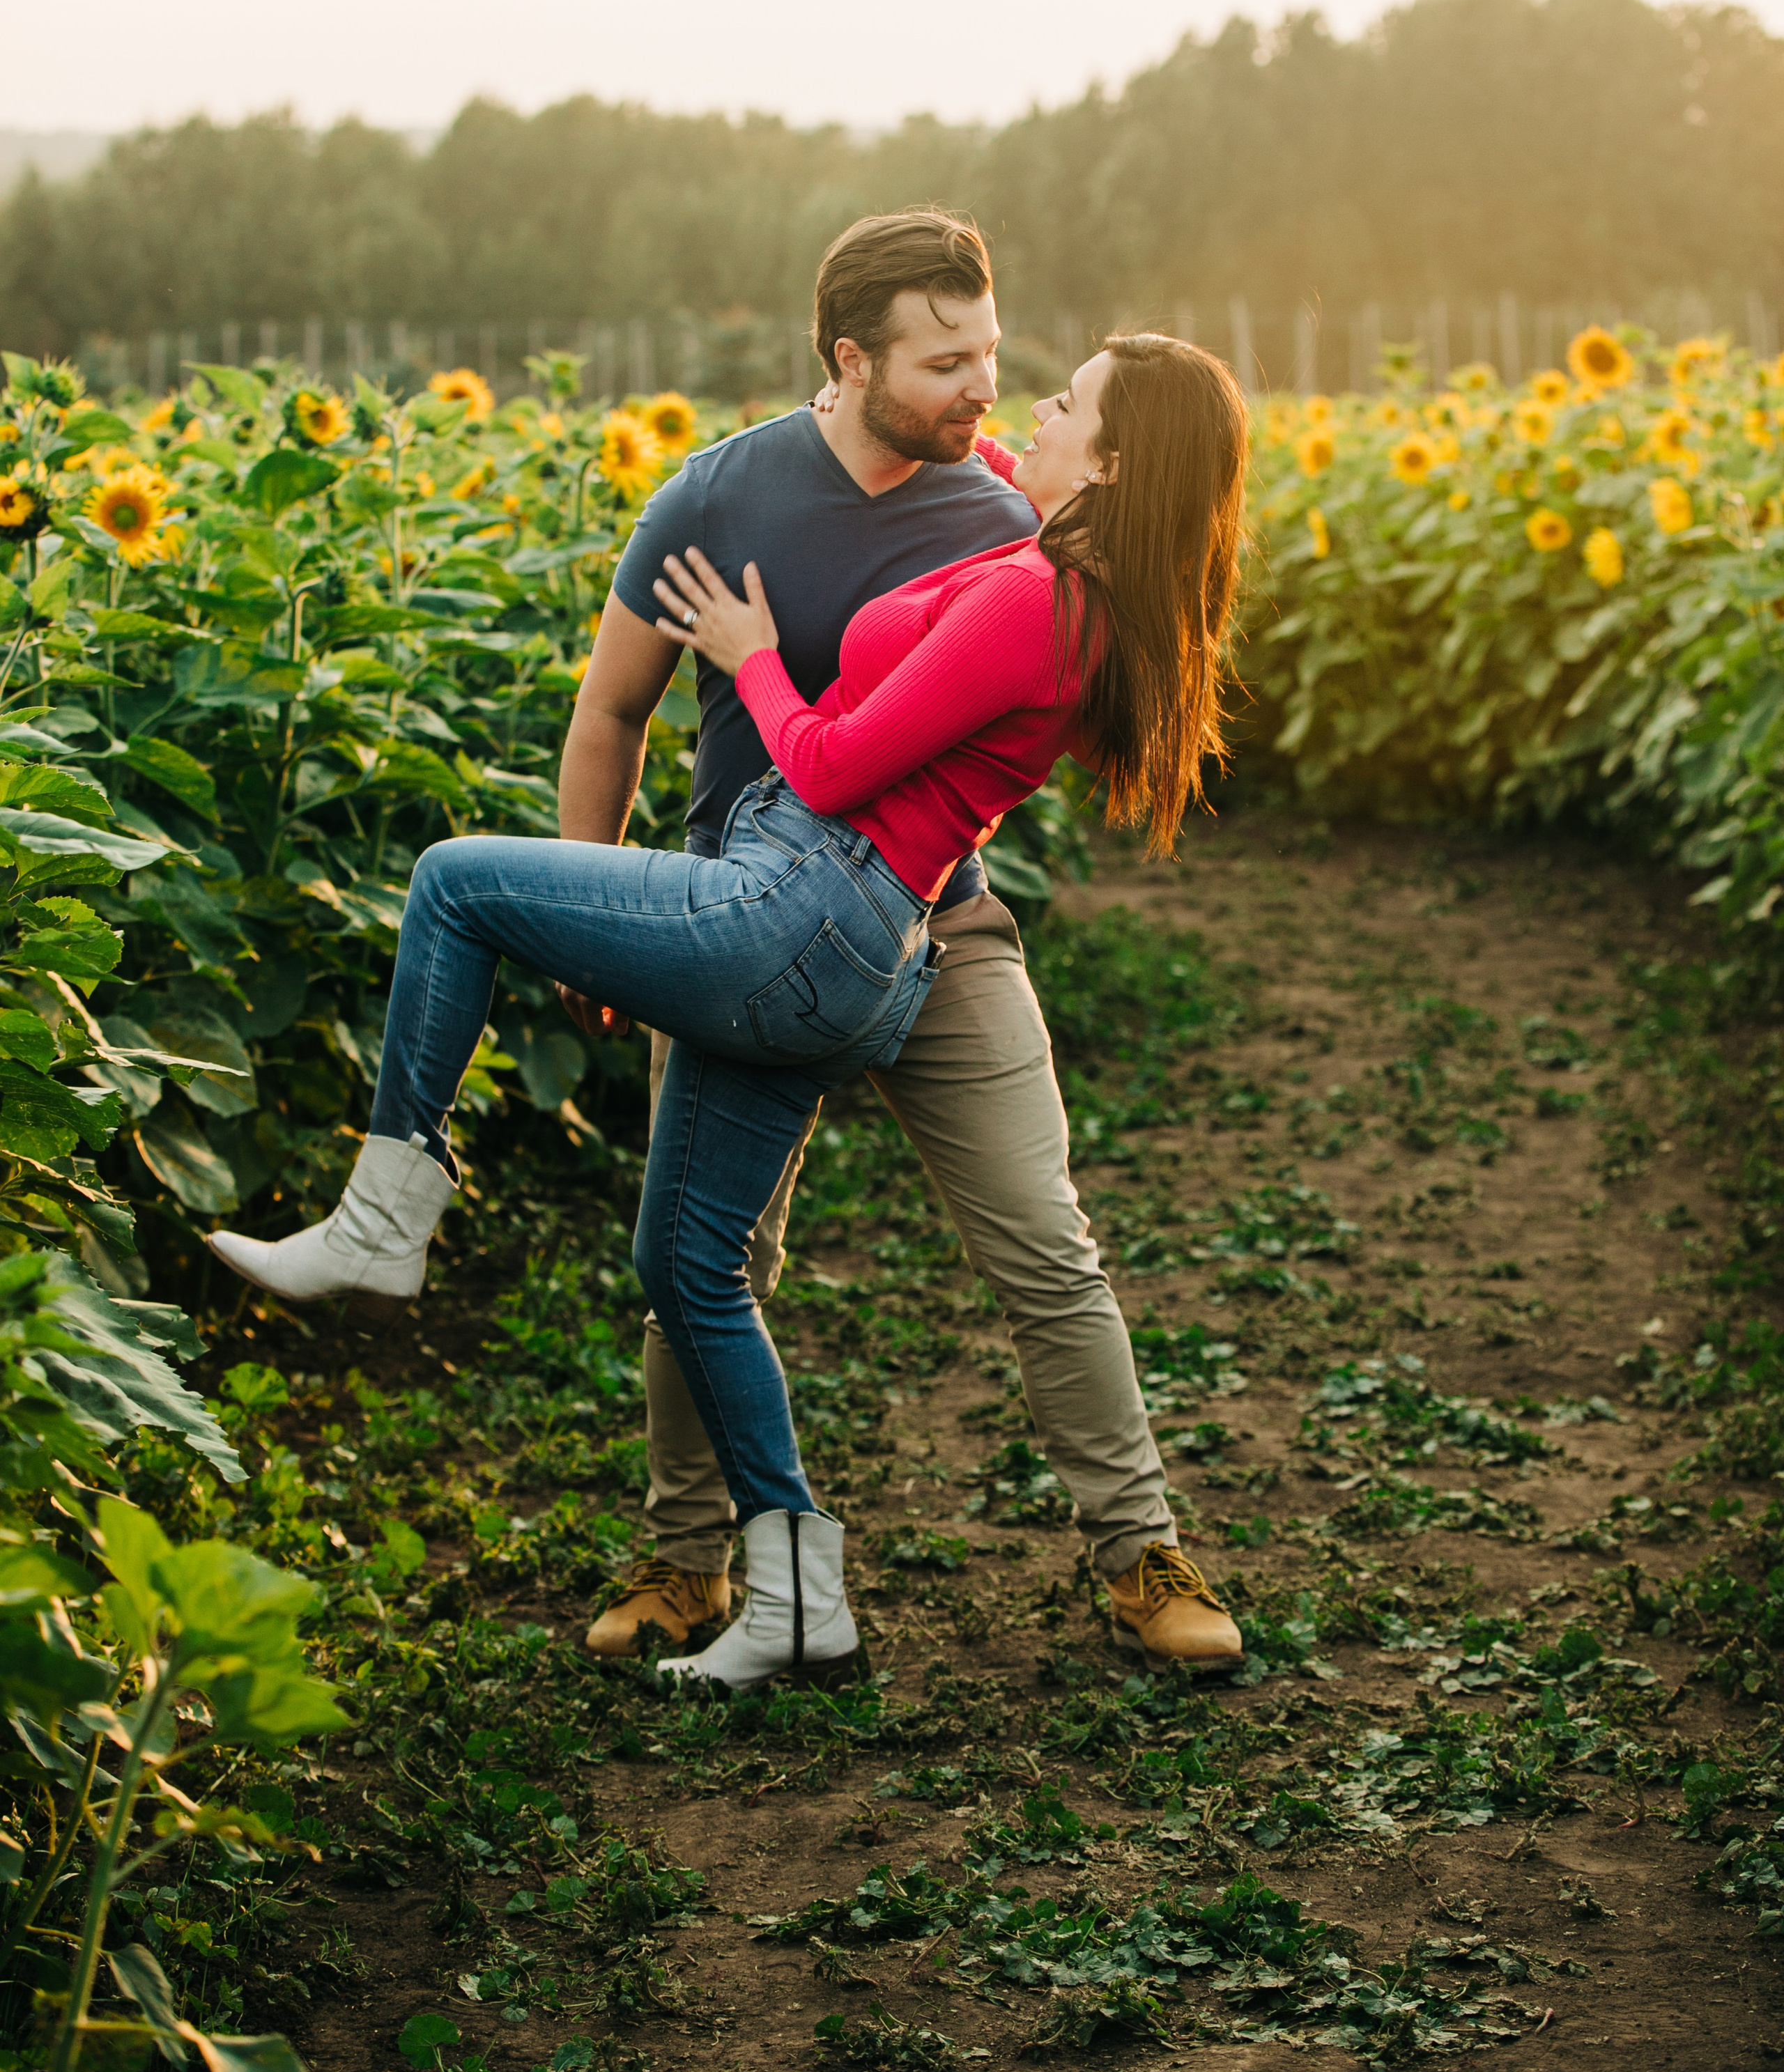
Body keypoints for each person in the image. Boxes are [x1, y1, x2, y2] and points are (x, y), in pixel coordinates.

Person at [208, 210, 1250, 1687]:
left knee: (1044, 1245)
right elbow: (610, 715)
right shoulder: (718, 495)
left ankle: (1134, 1552)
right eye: (948, 363)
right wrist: (597, 908)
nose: (988, 398)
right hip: (742, 896)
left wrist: (769, 678)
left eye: (1002, 364)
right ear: (852, 360)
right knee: (701, 1259)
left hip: (930, 924)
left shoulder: (1013, 513)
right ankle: (696, 1560)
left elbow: (1083, 592)